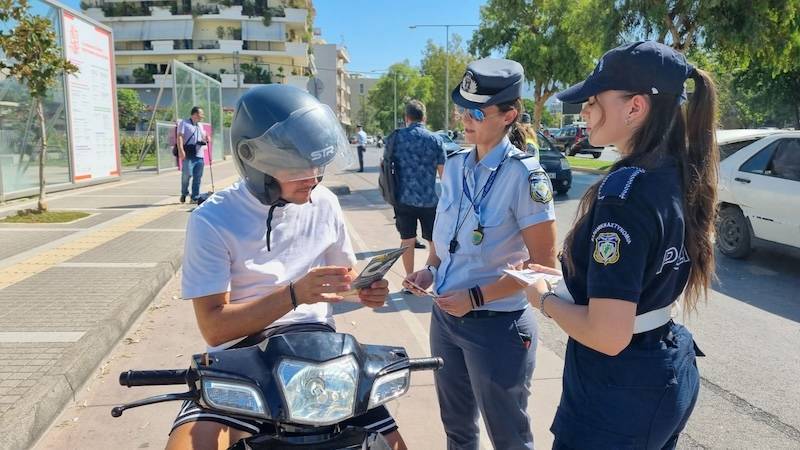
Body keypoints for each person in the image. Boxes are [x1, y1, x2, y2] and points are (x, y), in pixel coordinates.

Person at [167, 85, 407, 450]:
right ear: (252, 159)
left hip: (322, 351)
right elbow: (215, 329)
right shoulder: (212, 219)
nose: (312, 177)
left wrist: (363, 290)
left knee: (393, 444)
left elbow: (342, 282)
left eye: (317, 164)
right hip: (241, 355)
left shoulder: (324, 202)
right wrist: (294, 295)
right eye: (296, 166)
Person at [523, 41, 715, 449]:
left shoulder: (624, 194)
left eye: (594, 101)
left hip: (616, 395)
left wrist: (544, 299)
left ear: (635, 108)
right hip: (661, 371)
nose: (585, 112)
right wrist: (568, 280)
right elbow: (639, 278)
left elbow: (608, 334)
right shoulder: (676, 173)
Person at [403, 58, 558, 450]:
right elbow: (445, 235)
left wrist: (475, 297)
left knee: (509, 438)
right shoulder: (455, 164)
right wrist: (430, 270)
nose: (465, 120)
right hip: (445, 318)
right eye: (462, 110)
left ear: (509, 115)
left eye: (476, 112)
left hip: (496, 327)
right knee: (457, 431)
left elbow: (545, 267)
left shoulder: (524, 175)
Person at [384, 100, 446, 278]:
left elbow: (386, 166)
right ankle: (431, 276)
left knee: (407, 240)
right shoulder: (436, 140)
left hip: (402, 199)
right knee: (434, 241)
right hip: (429, 200)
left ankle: (410, 278)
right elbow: (444, 175)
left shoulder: (395, 137)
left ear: (406, 118)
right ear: (424, 118)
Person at [178, 106, 207, 203]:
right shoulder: (184, 123)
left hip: (199, 154)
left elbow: (203, 137)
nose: (202, 116)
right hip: (188, 153)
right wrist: (181, 150)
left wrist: (206, 139)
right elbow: (180, 137)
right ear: (195, 114)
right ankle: (184, 193)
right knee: (187, 175)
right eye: (201, 114)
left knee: (197, 177)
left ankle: (195, 197)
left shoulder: (200, 125)